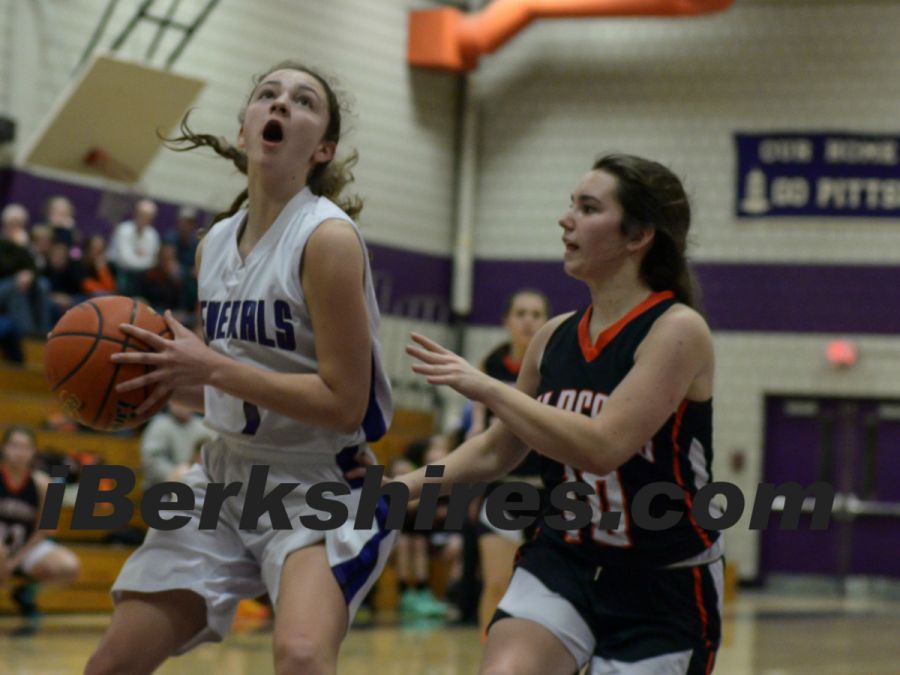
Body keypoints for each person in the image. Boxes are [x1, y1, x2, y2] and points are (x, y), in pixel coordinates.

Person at [84, 61, 394, 675]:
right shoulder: (214, 245)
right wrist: (150, 384)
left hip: (319, 482)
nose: (280, 104)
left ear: (323, 149)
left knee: (301, 657)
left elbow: (344, 405)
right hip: (226, 477)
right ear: (245, 126)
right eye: (267, 94)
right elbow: (228, 390)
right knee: (111, 665)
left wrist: (211, 370)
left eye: (303, 101)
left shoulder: (327, 239)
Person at [399, 154, 722, 674]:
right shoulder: (554, 336)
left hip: (661, 579)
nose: (565, 219)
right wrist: (393, 493)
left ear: (639, 235)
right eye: (571, 204)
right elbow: (494, 450)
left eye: (588, 208)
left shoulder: (677, 330)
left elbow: (603, 446)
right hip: (564, 560)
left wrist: (488, 388)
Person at [468, 289, 550, 634]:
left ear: (547, 322)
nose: (528, 321)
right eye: (521, 313)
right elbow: (476, 434)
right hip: (501, 490)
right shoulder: (489, 367)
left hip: (548, 493)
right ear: (507, 321)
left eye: (536, 314)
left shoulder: (556, 369)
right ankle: (489, 656)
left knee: (546, 591)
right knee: (497, 583)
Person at [1, 425, 80, 636]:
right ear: (4, 448)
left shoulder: (46, 484)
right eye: (14, 446)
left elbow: (47, 530)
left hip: (24, 548)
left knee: (68, 566)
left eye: (25, 447)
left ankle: (26, 593)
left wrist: (14, 560)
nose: (19, 452)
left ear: (33, 452)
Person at [139, 400, 217, 492]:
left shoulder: (204, 426)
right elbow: (152, 459)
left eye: (187, 400)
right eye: (179, 401)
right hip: (162, 488)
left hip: (197, 485)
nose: (184, 406)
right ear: (170, 402)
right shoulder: (159, 425)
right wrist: (175, 475)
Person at [106, 198, 161, 295]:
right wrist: (143, 259)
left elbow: (153, 261)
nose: (144, 219)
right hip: (118, 271)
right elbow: (124, 261)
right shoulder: (123, 230)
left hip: (141, 275)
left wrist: (138, 258)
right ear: (135, 214)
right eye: (142, 215)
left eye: (148, 217)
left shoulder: (153, 235)